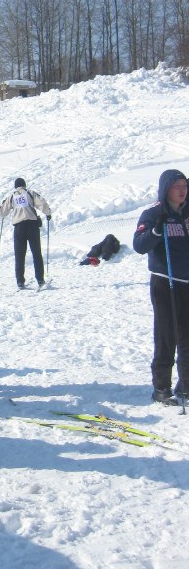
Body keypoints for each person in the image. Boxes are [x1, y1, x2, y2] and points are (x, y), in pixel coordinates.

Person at [133, 169, 189, 405]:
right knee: (167, 334)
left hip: (186, 282)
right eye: (177, 186)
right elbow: (139, 245)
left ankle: (185, 384)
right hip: (165, 282)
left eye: (184, 186)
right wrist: (156, 230)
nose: (182, 191)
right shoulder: (154, 213)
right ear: (166, 189)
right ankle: (161, 387)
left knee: (187, 336)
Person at [0, 177, 52, 288]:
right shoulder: (30, 193)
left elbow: (2, 212)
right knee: (36, 253)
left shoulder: (12, 196)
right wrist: (48, 213)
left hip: (19, 228)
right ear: (24, 185)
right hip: (32, 227)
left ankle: (20, 281)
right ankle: (40, 279)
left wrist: (2, 212)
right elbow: (42, 203)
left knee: (19, 255)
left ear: (15, 186)